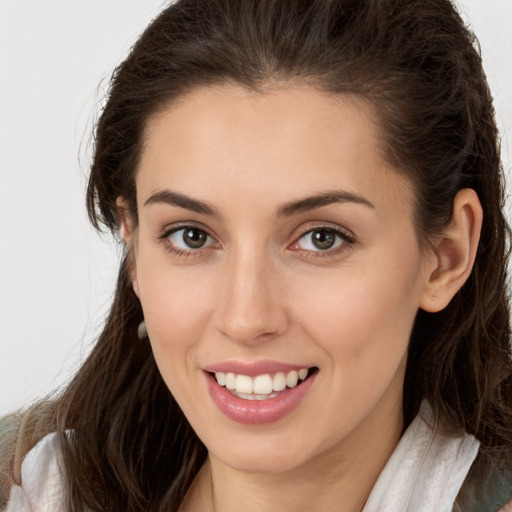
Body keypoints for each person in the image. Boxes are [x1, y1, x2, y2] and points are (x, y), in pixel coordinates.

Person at [1, 0, 511, 510]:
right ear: (133, 246)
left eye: (322, 238)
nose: (246, 319)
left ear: (446, 255)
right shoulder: (28, 488)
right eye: (191, 236)